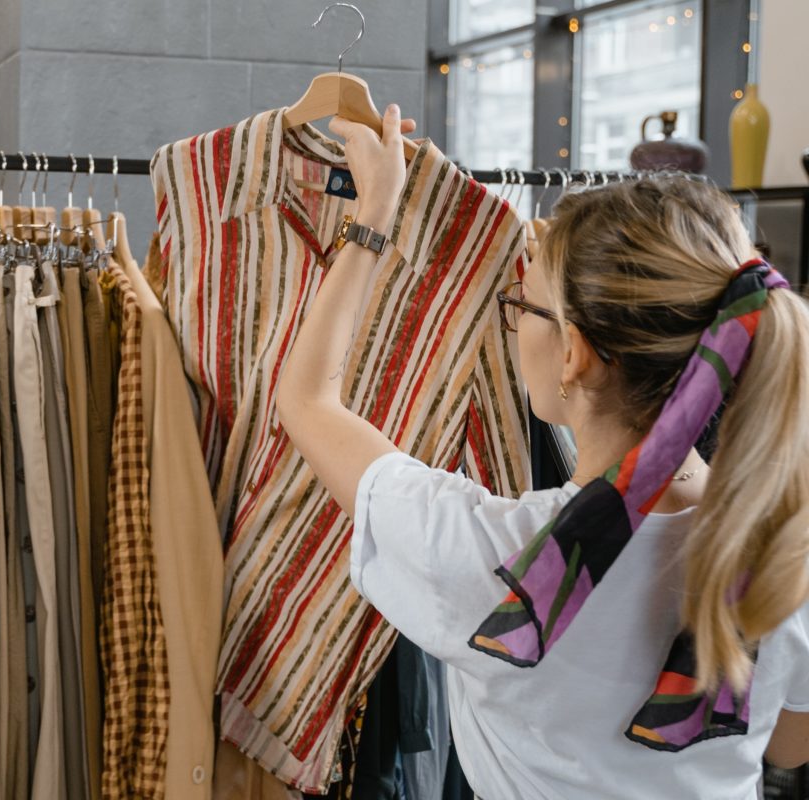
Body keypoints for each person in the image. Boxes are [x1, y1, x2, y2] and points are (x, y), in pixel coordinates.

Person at [275, 103, 809, 799]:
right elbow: (790, 746)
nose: (515, 321)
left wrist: (373, 213)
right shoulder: (784, 544)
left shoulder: (498, 564)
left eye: (520, 306)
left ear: (574, 355)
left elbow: (307, 400)